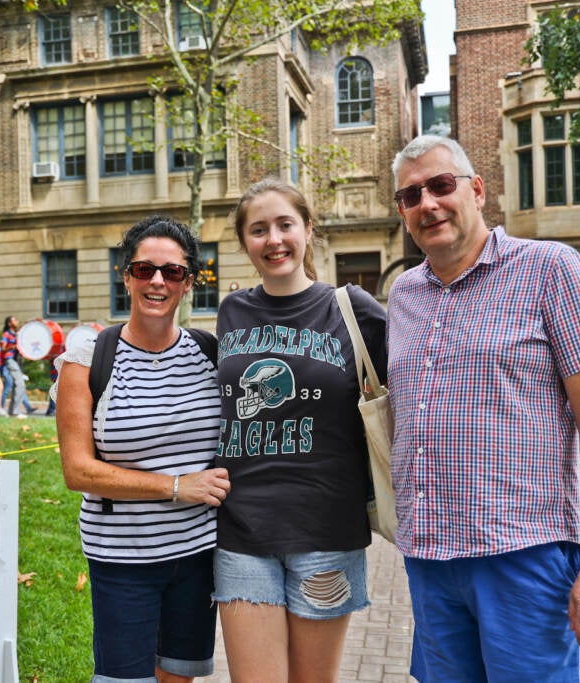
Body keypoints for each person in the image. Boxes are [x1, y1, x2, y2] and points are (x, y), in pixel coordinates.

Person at [386, 135, 580, 681]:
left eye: (441, 185)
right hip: (429, 557)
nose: (427, 203)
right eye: (410, 195)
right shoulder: (403, 295)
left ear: (476, 189)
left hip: (524, 554)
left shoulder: (550, 269)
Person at [212, 179, 387, 682]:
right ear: (245, 241)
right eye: (258, 229)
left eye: (285, 225)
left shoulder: (351, 309)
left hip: (326, 529)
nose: (274, 240)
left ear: (308, 230)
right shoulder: (232, 311)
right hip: (242, 529)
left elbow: (418, 391)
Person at [53, 215, 230, 683]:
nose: (157, 281)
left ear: (188, 282)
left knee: (178, 677)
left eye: (172, 272)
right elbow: (79, 472)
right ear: (125, 274)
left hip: (197, 556)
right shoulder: (88, 359)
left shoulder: (209, 354)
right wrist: (176, 486)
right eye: (144, 269)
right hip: (122, 560)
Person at [0, 316, 30, 418]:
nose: (17, 321)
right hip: (10, 360)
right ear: (9, 323)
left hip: (17, 361)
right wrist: (12, 347)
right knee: (20, 385)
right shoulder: (6, 334)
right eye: (15, 320)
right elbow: (2, 349)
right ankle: (15, 412)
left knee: (17, 385)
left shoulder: (16, 333)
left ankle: (12, 411)